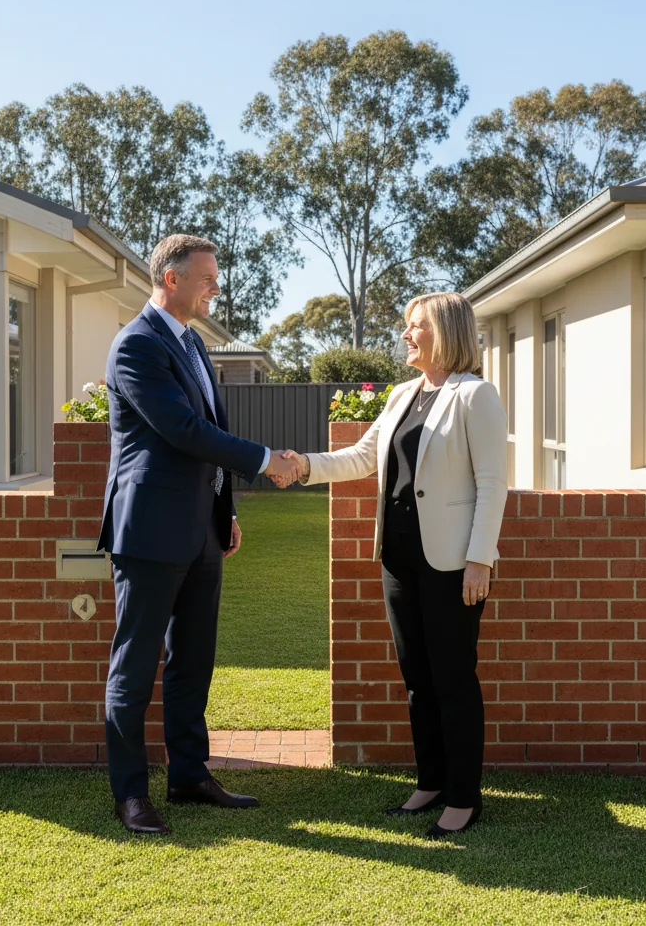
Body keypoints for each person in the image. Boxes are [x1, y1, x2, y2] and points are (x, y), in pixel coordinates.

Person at [272, 292, 507, 839]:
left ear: (444, 331)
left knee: (452, 678)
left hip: (452, 564)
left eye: (415, 326)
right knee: (418, 680)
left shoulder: (476, 396)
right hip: (399, 559)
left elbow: (492, 485)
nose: (405, 335)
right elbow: (361, 456)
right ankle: (430, 781)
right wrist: (302, 465)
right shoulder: (403, 395)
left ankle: (464, 798)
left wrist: (479, 561)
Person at [99, 234, 301, 836]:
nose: (216, 286)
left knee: (193, 660)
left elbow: (207, 436)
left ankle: (189, 774)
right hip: (150, 531)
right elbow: (183, 430)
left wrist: (224, 511)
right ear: (171, 279)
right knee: (135, 666)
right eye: (207, 277)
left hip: (200, 530)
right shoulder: (136, 344)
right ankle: (131, 794)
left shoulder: (191, 343)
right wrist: (266, 458)